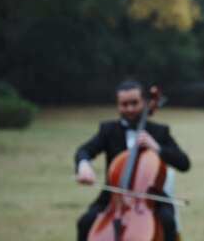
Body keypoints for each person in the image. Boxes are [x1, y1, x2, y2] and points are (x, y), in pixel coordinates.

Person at [75, 80, 190, 241]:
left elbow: (184, 163)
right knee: (85, 222)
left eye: (134, 103)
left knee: (168, 222)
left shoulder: (159, 131)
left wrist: (157, 147)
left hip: (151, 200)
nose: (129, 108)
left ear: (144, 102)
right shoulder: (108, 130)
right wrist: (83, 165)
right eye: (124, 104)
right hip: (112, 200)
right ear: (117, 105)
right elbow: (84, 150)